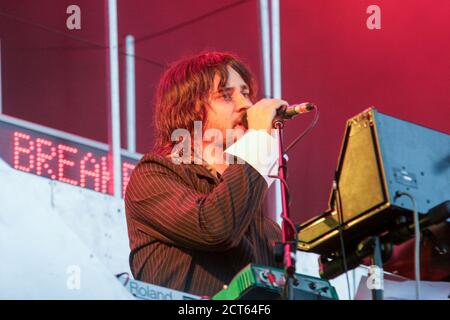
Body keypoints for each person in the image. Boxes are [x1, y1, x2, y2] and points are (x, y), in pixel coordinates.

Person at [124, 51, 288, 297]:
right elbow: (215, 228)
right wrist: (258, 144)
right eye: (225, 96)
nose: (246, 105)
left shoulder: (267, 231)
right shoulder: (153, 175)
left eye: (245, 93)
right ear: (190, 110)